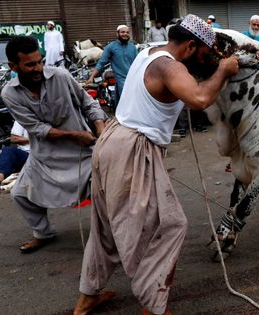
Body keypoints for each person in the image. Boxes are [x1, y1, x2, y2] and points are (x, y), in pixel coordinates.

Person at [72, 14, 239, 315]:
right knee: (167, 225)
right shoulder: (169, 66)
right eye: (205, 53)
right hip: (132, 150)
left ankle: (88, 296)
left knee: (107, 227)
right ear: (190, 46)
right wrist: (224, 70)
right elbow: (200, 98)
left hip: (113, 139)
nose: (209, 59)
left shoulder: (150, 52)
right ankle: (153, 304)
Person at [1, 36, 107, 253]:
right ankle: (43, 233)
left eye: (39, 61)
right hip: (44, 156)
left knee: (107, 188)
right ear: (13, 66)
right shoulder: (9, 93)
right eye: (30, 64)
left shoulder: (61, 76)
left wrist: (100, 129)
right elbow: (37, 129)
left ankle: (112, 232)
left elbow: (89, 104)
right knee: (20, 194)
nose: (38, 68)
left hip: (82, 154)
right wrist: (76, 135)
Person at [86, 25, 138, 104]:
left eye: (127, 32)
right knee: (127, 103)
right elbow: (101, 63)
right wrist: (91, 77)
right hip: (122, 80)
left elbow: (138, 63)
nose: (125, 34)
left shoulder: (133, 47)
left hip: (134, 79)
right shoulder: (110, 47)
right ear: (117, 34)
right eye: (122, 32)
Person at [0, 121, 30, 190]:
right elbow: (13, 138)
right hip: (26, 154)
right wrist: (33, 140)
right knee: (7, 150)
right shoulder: (21, 118)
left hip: (42, 155)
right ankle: (0, 178)